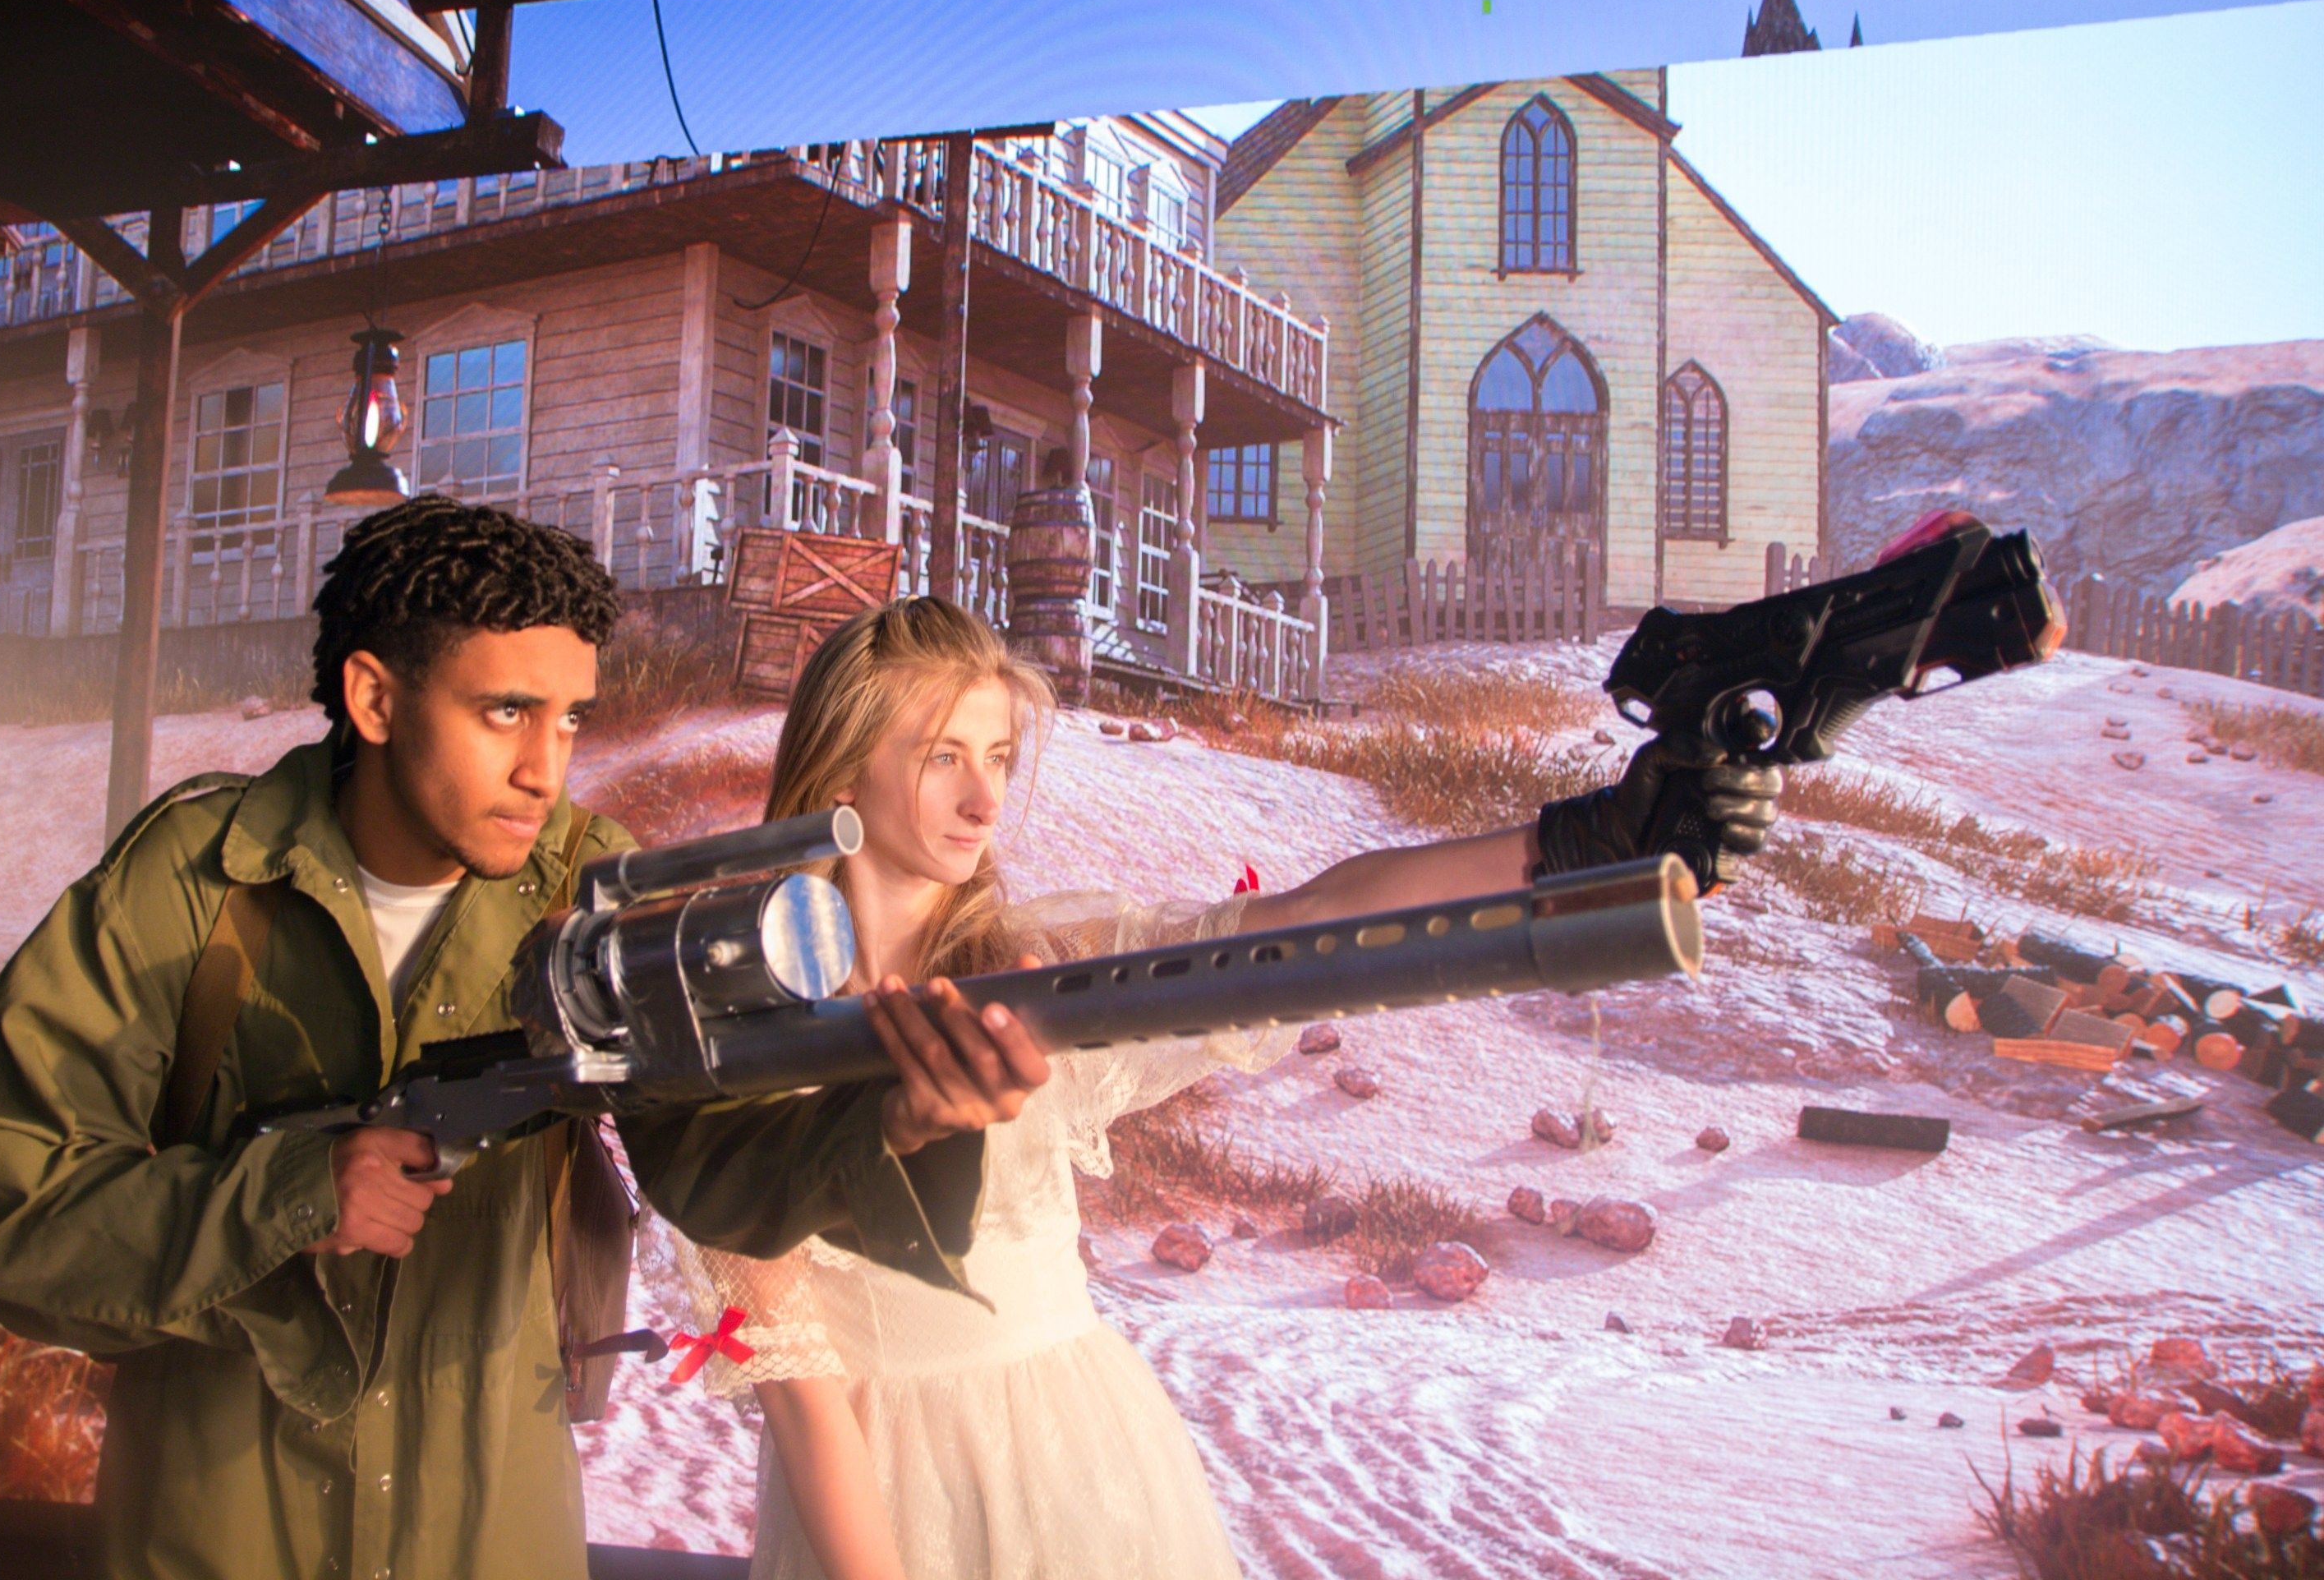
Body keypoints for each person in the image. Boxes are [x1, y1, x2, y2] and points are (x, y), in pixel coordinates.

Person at [0, 498, 1047, 1580]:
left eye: (571, 720)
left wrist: (898, 1119)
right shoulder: (196, 883)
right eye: (504, 711)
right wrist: (291, 1196)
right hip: (222, 1532)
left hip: (486, 1527)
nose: (544, 768)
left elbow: (720, 1169)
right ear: (374, 699)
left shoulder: (589, 887)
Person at [673, 596, 1779, 1580]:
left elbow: (1301, 921)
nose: (981, 796)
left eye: (1000, 754)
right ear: (838, 769)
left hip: (1089, 1460)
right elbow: (799, 1392)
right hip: (885, 1500)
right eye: (939, 754)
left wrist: (1587, 842)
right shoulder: (736, 1028)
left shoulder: (1045, 969)